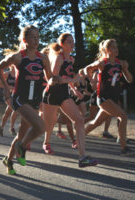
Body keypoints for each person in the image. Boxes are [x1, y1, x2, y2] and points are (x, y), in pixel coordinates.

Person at [0, 25, 55, 175]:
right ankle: (21, 147)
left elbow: (50, 78)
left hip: (35, 100)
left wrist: (58, 80)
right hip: (19, 99)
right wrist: (5, 88)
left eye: (38, 37)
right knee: (41, 127)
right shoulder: (18, 57)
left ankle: (8, 160)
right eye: (33, 37)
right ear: (25, 40)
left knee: (22, 133)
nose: (37, 40)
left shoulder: (43, 57)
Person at [42, 32, 98, 168]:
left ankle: (82, 157)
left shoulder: (71, 60)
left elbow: (67, 76)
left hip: (64, 94)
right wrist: (74, 80)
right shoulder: (59, 58)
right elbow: (54, 78)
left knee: (79, 119)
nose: (72, 44)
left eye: (73, 42)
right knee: (50, 123)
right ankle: (45, 142)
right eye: (69, 42)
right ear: (62, 44)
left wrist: (74, 89)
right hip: (52, 94)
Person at [84, 39, 135, 156]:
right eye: (113, 47)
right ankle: (124, 148)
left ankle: (79, 137)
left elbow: (130, 80)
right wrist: (91, 81)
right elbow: (87, 69)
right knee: (123, 116)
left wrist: (126, 69)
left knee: (96, 123)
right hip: (103, 98)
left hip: (113, 99)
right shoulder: (102, 63)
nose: (116, 49)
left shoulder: (119, 63)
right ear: (106, 50)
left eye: (116, 47)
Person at [0, 65, 19, 136]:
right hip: (7, 95)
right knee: (15, 109)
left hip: (16, 94)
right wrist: (9, 87)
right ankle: (12, 128)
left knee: (7, 112)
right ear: (10, 65)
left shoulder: (19, 73)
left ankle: (1, 127)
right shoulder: (7, 74)